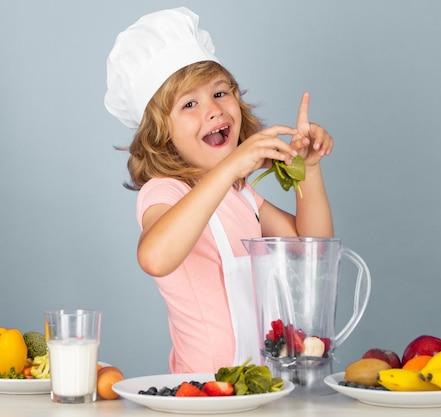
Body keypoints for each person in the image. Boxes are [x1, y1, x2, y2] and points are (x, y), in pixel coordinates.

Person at [105, 7, 334, 374]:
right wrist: (231, 167)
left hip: (262, 387)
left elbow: (313, 249)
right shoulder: (165, 191)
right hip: (205, 394)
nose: (213, 110)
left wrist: (308, 169)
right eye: (190, 104)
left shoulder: (241, 195)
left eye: (221, 93)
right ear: (160, 133)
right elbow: (155, 257)